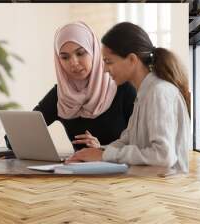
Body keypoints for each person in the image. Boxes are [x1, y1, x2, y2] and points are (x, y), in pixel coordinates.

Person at [66, 22, 191, 173]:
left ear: (132, 60)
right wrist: (97, 152)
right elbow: (127, 140)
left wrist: (105, 155)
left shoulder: (159, 92)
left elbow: (163, 155)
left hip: (164, 187)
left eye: (109, 62)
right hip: (147, 182)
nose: (104, 69)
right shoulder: (144, 93)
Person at [29, 22, 136, 151]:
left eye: (80, 53)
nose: (73, 63)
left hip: (120, 170)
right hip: (77, 170)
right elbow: (19, 136)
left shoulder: (123, 88)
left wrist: (102, 149)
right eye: (65, 57)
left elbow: (141, 144)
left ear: (94, 52)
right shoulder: (61, 94)